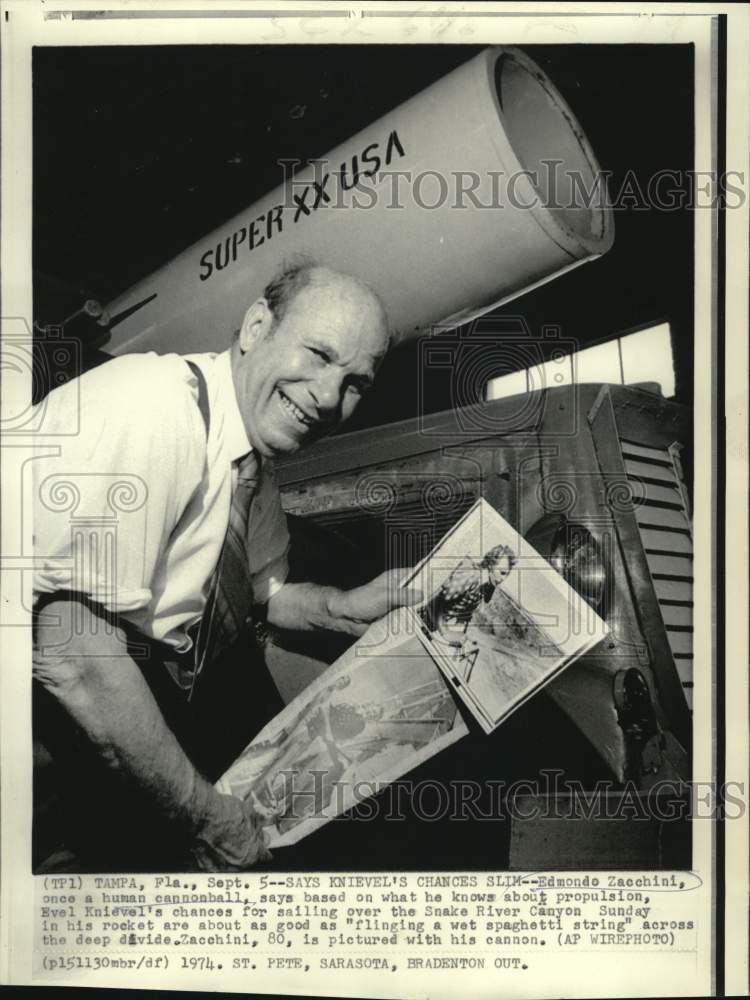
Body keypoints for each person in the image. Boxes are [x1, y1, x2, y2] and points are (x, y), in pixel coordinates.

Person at [32, 262, 421, 871]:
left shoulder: (250, 464)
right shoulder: (156, 410)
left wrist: (343, 608)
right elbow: (76, 655)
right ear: (256, 325)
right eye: (318, 354)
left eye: (355, 383)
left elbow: (265, 592)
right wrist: (204, 816)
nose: (327, 398)